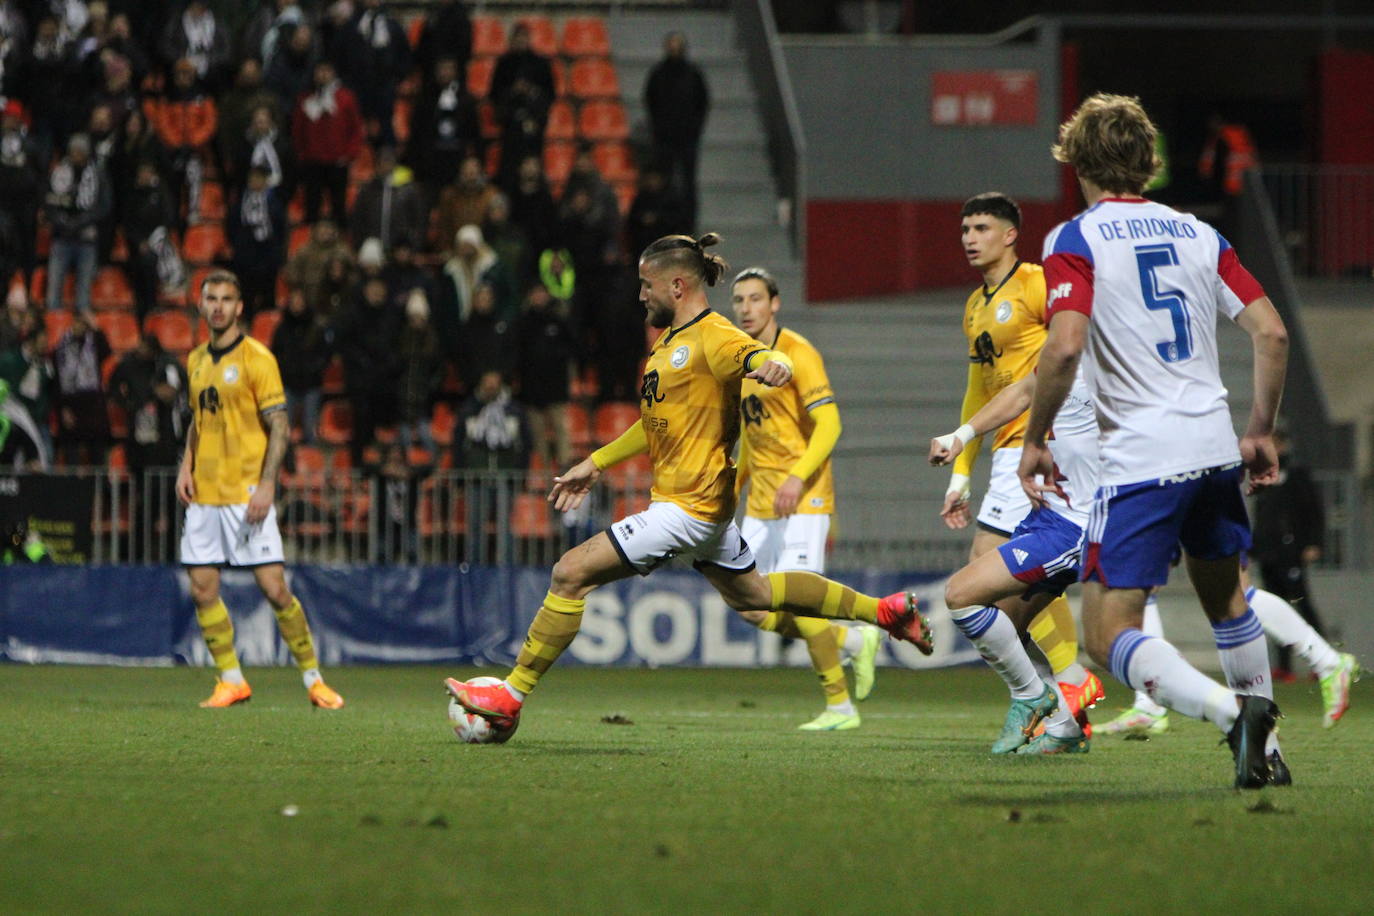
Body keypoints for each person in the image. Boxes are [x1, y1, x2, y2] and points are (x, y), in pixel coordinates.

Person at [446, 234, 934, 732]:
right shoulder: (669, 343)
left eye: (647, 285)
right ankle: (885, 612)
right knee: (755, 595)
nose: (641, 295)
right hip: (702, 511)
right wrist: (596, 462)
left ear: (676, 286)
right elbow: (654, 423)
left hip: (687, 509)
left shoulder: (713, 335)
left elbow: (754, 356)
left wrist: (775, 364)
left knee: (570, 573)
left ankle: (510, 696)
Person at [1020, 93, 1287, 788]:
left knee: (1105, 634)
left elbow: (1065, 346)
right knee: (1228, 601)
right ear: (1149, 162)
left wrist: (1035, 437)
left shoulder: (1074, 239)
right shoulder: (1200, 234)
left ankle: (1234, 718)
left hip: (1142, 459)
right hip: (1214, 449)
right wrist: (1259, 430)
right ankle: (1270, 751)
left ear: (1078, 162)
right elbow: (1271, 332)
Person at [941, 192, 1103, 736]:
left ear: (1011, 235)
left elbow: (1073, 350)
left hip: (1039, 449)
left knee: (987, 583)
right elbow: (978, 390)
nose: (970, 238)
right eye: (966, 228)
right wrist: (962, 469)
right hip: (1006, 450)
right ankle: (1065, 695)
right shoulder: (975, 305)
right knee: (1000, 587)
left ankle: (1062, 684)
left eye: (982, 228)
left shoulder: (1036, 283)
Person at [176, 269, 344, 709]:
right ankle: (231, 680)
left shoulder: (257, 358)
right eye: (211, 299)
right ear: (201, 305)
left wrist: (268, 484)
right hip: (205, 495)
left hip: (247, 493)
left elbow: (280, 425)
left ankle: (314, 680)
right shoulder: (196, 359)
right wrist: (185, 467)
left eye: (226, 299)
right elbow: (198, 419)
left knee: (275, 589)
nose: (218, 307)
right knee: (202, 588)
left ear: (239, 307)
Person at [731, 266, 881, 731]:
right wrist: (732, 487)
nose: (746, 308)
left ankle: (840, 707)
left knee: (800, 598)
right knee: (749, 603)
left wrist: (796, 478)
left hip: (805, 496)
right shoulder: (741, 363)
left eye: (756, 298)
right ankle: (853, 642)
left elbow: (830, 424)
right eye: (739, 300)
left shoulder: (798, 352)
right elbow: (749, 433)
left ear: (775, 303)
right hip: (762, 501)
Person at [930, 366, 1099, 754]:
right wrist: (961, 436)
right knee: (1003, 628)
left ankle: (1033, 695)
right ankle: (1063, 728)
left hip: (1076, 525)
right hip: (1047, 514)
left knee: (961, 594)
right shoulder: (1071, 357)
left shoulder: (1122, 365)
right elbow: (1025, 390)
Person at [644, 32, 709, 227]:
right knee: (663, 180)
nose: (674, 49)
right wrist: (658, 127)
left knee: (688, 182)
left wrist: (695, 128)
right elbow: (650, 101)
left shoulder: (693, 74)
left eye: (677, 45)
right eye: (671, 45)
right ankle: (664, 221)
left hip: (688, 138)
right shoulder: (658, 73)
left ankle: (689, 223)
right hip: (664, 138)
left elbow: (702, 103)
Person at [291, 58, 364, 225]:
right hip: (312, 163)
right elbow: (297, 130)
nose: (323, 75)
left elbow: (356, 129)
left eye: (327, 71)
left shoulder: (345, 98)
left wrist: (349, 155)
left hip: (338, 163)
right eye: (320, 71)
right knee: (311, 207)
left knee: (339, 208)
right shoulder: (305, 98)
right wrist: (302, 154)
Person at [45, 133, 111, 313]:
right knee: (53, 293)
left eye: (79, 151)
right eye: (73, 151)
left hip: (87, 238)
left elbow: (104, 206)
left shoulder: (97, 175)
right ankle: (54, 325)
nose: (76, 155)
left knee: (83, 296)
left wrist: (82, 221)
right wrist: (61, 220)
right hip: (61, 237)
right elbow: (48, 201)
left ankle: (82, 327)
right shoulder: (59, 172)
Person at [270, 287, 332, 444]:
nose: (297, 305)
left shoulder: (316, 328)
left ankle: (311, 456)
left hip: (311, 383)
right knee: (283, 430)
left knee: (310, 428)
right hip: (287, 383)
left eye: (300, 301)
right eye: (294, 302)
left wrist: (314, 369)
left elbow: (325, 354)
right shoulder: (281, 329)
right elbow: (275, 354)